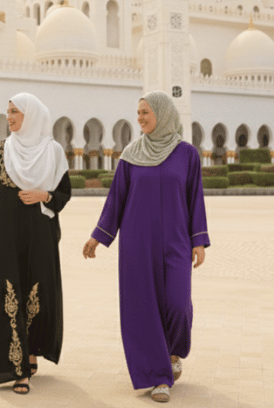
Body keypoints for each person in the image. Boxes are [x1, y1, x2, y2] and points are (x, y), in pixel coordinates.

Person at [83, 90, 210, 403]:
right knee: (144, 309)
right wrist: (98, 236)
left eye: (145, 113)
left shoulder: (187, 154)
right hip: (138, 244)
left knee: (178, 304)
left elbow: (195, 197)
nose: (139, 118)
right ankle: (158, 377)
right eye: (138, 113)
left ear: (162, 114)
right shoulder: (131, 155)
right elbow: (117, 200)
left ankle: (174, 352)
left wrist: (199, 240)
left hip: (177, 241)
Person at [0, 93, 71, 395]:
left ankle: (31, 351)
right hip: (5, 236)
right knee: (7, 294)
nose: (10, 118)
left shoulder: (53, 152)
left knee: (35, 293)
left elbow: (63, 194)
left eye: (16, 112)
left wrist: (44, 195)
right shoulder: (1, 151)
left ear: (32, 116)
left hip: (39, 236)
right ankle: (19, 369)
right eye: (8, 112)